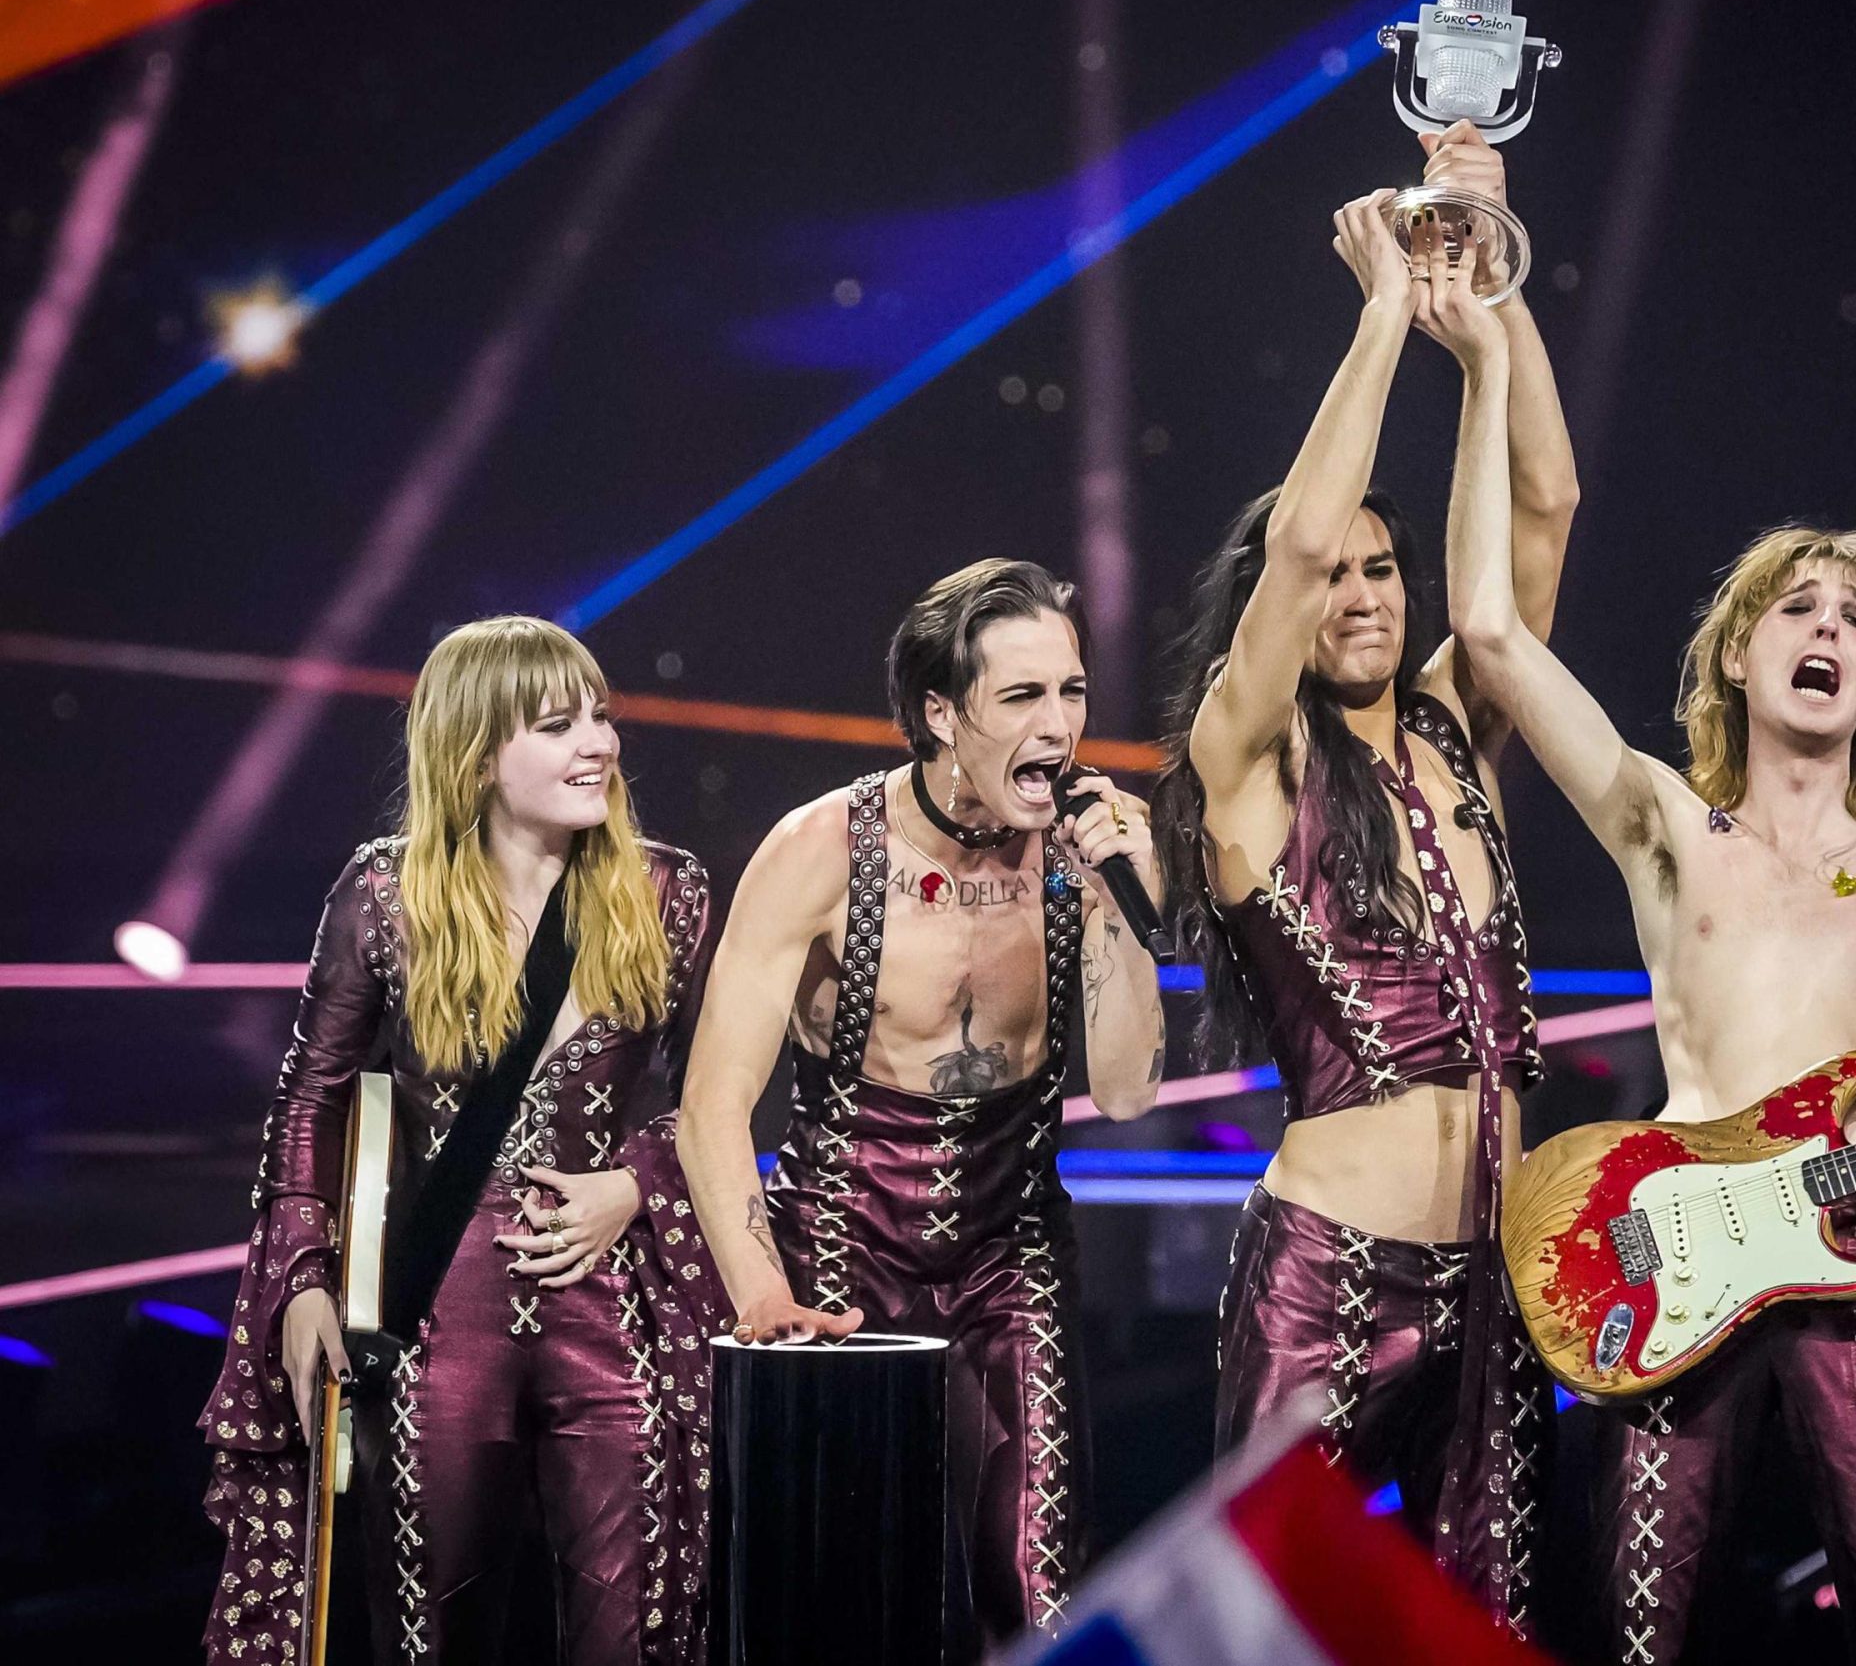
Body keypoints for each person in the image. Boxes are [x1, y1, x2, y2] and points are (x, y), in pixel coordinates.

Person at [1444, 422, 1856, 1664]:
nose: (1827, 630)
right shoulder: (1667, 826)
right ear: (1738, 655)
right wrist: (1487, 359)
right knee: (1635, 1628)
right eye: (1797, 608)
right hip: (1673, 1247)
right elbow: (1488, 629)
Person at [1151, 123, 1580, 1636]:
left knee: (1481, 1633)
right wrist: (1385, 313)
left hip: (1502, 1278)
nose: (1359, 591)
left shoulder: (1460, 728)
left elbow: (1544, 508)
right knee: (1264, 1628)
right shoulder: (1247, 756)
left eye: (1383, 570)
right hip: (1330, 1277)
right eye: (1340, 575)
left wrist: (1490, 293)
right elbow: (1295, 544)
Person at [198, 615, 724, 1665]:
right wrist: (302, 1279)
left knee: (638, 1632)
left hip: (616, 1303)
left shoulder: (669, 891)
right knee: (429, 1634)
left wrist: (633, 1182)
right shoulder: (383, 895)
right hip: (436, 1318)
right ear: (477, 755)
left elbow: (720, 1096)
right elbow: (311, 1098)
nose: (600, 743)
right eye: (558, 724)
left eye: (601, 716)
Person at [675, 558, 1163, 1653]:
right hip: (838, 1253)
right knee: (841, 1611)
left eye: (1072, 692)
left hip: (1010, 1252)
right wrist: (762, 1293)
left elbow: (1130, 1092)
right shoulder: (818, 850)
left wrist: (1122, 901)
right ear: (942, 714)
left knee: (1038, 1593)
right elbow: (711, 1104)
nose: (1058, 726)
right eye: (1022, 696)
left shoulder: (1091, 846)